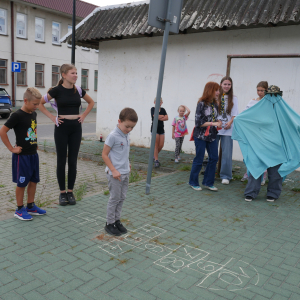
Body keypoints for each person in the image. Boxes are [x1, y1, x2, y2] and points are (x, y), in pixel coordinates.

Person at [39, 64, 94, 206]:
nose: (76, 75)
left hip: (76, 128)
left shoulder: (79, 90)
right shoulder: (56, 90)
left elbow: (91, 102)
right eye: (73, 73)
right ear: (63, 75)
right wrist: (52, 118)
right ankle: (62, 193)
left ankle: (70, 192)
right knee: (61, 161)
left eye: (76, 73)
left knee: (73, 161)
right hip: (61, 128)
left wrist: (83, 115)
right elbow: (40, 103)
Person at [232, 85, 300, 202]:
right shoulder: (259, 108)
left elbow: (294, 122)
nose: (273, 98)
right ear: (267, 95)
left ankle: (272, 193)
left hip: (277, 147)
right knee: (256, 169)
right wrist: (238, 120)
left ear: (280, 96)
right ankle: (251, 193)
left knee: (276, 173)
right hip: (260, 145)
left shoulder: (284, 111)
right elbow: (245, 118)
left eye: (276, 96)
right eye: (271, 95)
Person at [0, 88, 46, 220]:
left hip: (33, 154)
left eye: (38, 104)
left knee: (33, 181)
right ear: (25, 101)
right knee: (22, 183)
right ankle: (19, 209)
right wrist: (11, 148)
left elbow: (31, 130)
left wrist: (34, 142)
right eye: (35, 104)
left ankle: (30, 206)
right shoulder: (17, 115)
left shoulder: (33, 114)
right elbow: (2, 131)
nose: (37, 107)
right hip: (22, 157)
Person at [102, 108, 138, 236]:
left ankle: (116, 220)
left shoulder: (126, 134)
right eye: (127, 126)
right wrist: (113, 170)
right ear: (119, 121)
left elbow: (123, 152)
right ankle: (109, 223)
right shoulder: (113, 136)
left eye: (132, 128)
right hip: (115, 174)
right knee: (114, 198)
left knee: (122, 197)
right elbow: (104, 154)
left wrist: (126, 163)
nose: (129, 130)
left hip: (125, 172)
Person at [189, 82, 222, 191]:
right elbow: (199, 122)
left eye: (218, 90)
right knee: (199, 158)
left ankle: (208, 182)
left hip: (212, 136)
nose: (218, 92)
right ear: (210, 90)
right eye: (216, 90)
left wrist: (218, 122)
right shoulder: (201, 103)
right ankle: (193, 182)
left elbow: (212, 118)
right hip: (200, 136)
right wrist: (213, 123)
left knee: (214, 158)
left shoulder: (215, 104)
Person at [241, 81, 268, 184]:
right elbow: (244, 113)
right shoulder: (252, 101)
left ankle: (263, 175)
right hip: (252, 132)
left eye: (262, 90)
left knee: (262, 154)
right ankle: (248, 173)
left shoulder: (269, 102)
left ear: (266, 90)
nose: (259, 92)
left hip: (263, 132)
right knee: (250, 153)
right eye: (258, 90)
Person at [216, 76, 239, 185]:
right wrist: (217, 122)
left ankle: (225, 176)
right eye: (225, 84)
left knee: (227, 153)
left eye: (229, 84)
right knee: (212, 152)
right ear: (221, 84)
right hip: (216, 128)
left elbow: (235, 114)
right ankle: (211, 173)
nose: (226, 86)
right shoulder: (215, 96)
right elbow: (212, 111)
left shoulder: (234, 98)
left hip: (228, 129)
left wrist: (229, 123)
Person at [151, 98, 168, 168]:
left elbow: (167, 118)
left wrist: (158, 117)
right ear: (154, 102)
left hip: (161, 129)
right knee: (156, 145)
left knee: (161, 145)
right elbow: (154, 116)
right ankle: (156, 160)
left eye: (160, 102)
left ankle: (154, 156)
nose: (159, 103)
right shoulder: (153, 109)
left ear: (162, 103)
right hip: (155, 129)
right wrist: (162, 116)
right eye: (157, 102)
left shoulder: (163, 109)